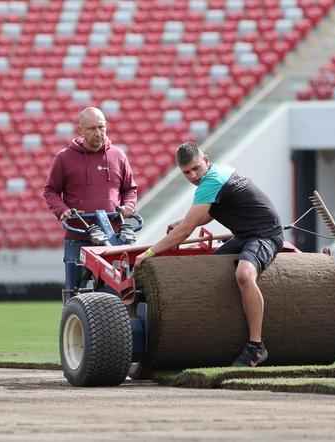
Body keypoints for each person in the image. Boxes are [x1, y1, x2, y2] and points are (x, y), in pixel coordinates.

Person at [135, 142, 283, 368]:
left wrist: (150, 252)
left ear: (206, 159)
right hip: (245, 235)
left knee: (244, 275)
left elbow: (185, 232)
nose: (193, 175)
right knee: (210, 267)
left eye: (196, 168)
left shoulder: (211, 181)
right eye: (186, 172)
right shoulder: (218, 173)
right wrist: (184, 222)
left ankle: (256, 347)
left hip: (265, 235)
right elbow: (207, 212)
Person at [43, 107, 138, 298]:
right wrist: (62, 210)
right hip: (78, 237)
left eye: (101, 127)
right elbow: (50, 191)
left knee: (119, 290)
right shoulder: (64, 158)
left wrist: (129, 205)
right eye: (92, 129)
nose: (98, 133)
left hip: (114, 237)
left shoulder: (118, 155)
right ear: (80, 130)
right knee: (75, 292)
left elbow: (130, 189)